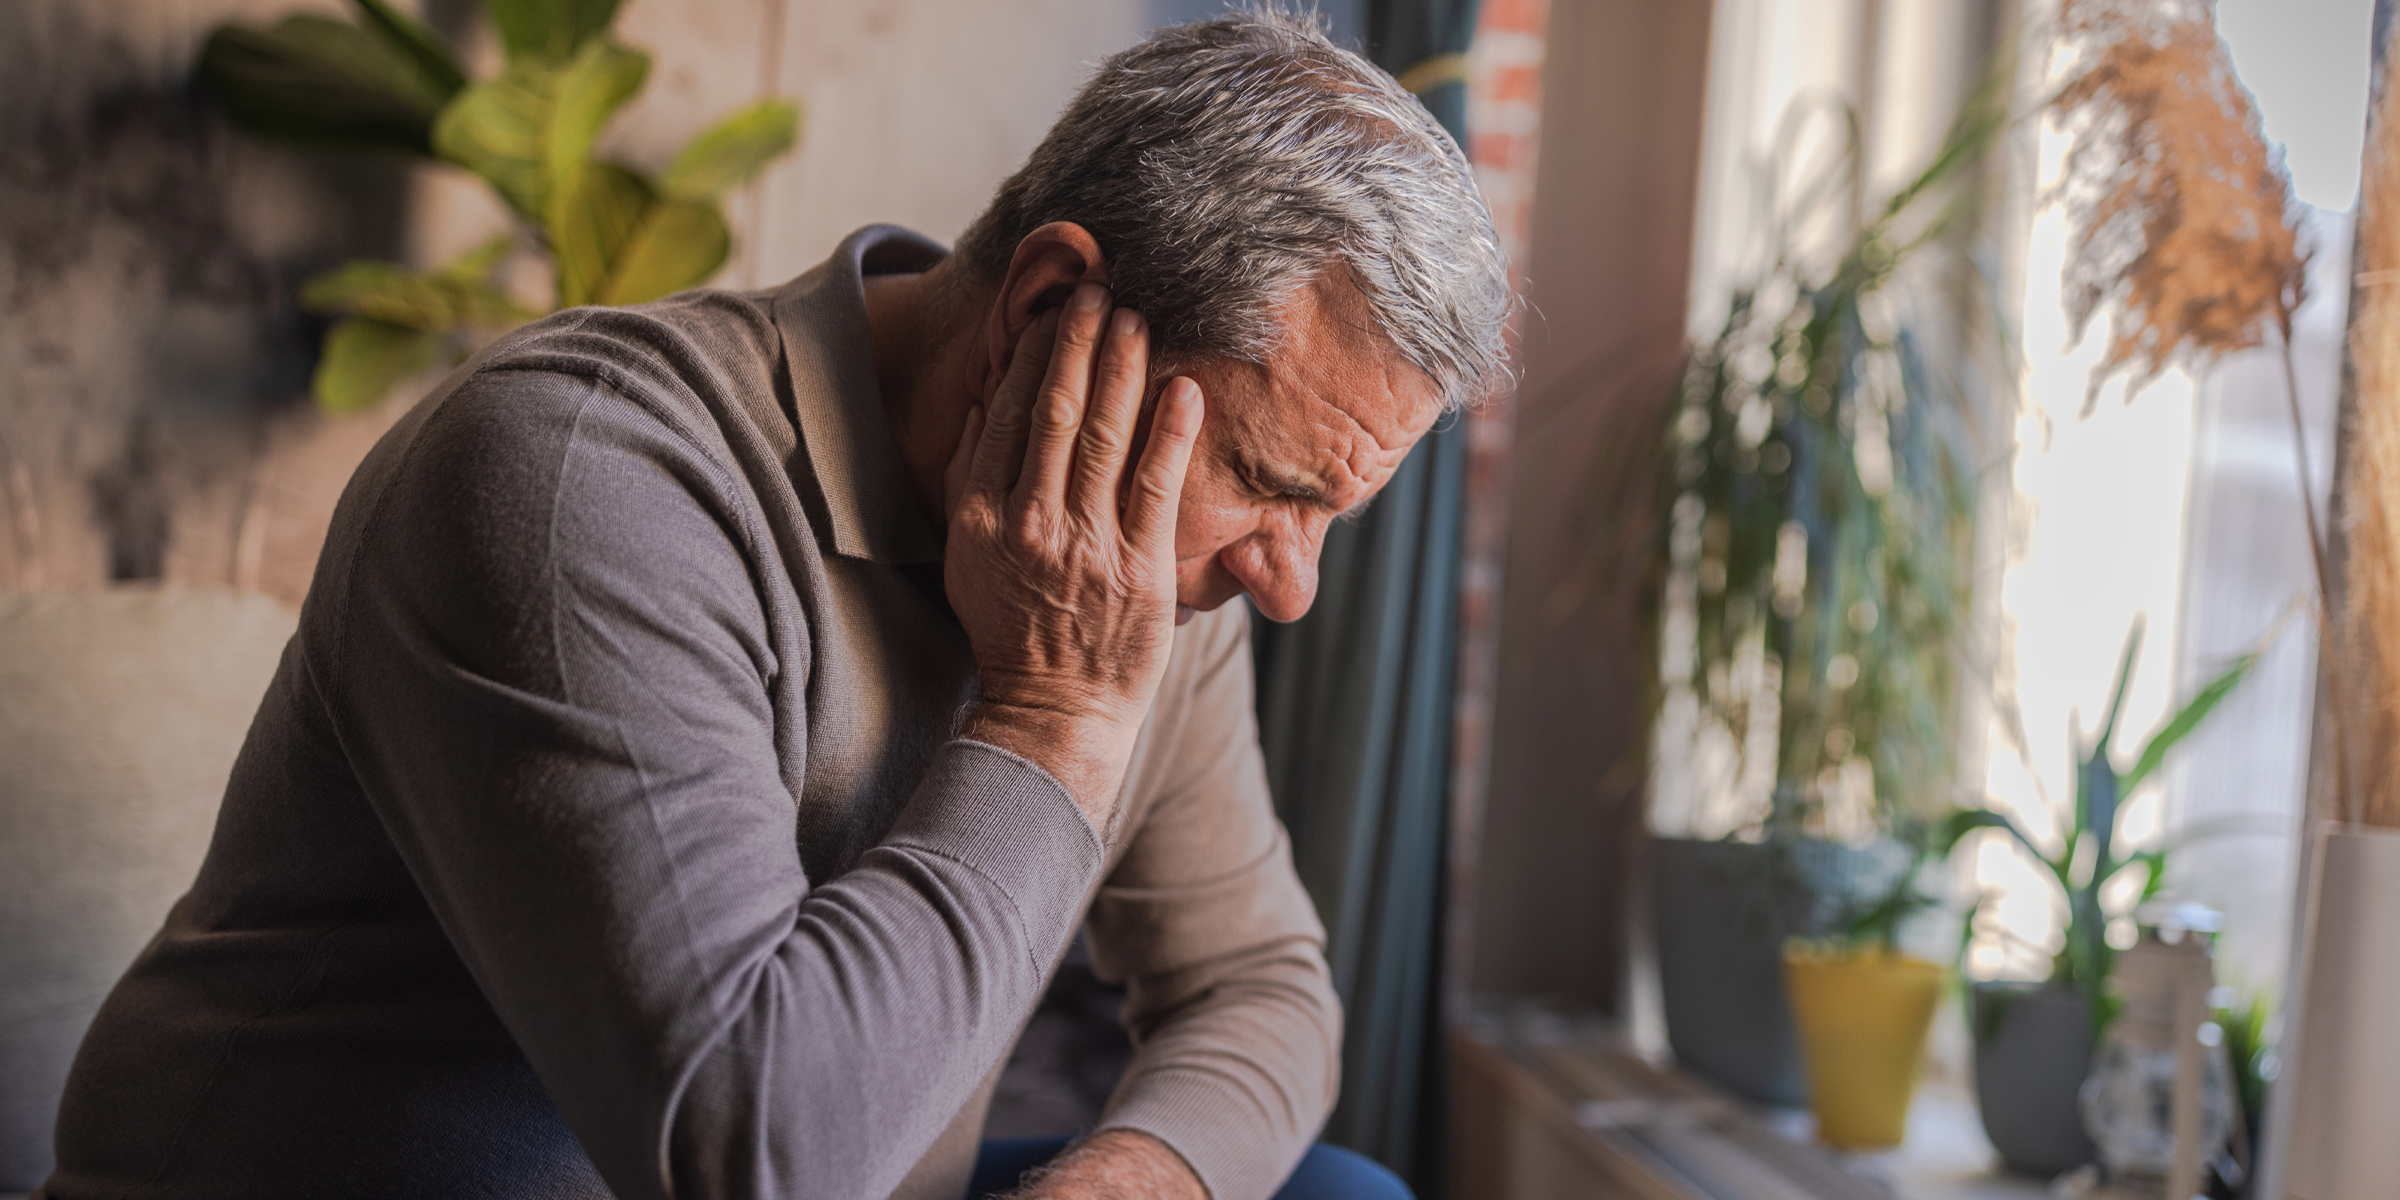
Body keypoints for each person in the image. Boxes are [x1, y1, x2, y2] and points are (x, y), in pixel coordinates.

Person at [41, 10, 1509, 1200]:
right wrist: (1053, 717)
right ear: (1053, 309)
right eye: (1271, 484)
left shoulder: (1165, 573)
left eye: (1332, 511)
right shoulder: (587, 480)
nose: (1290, 583)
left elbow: (1257, 983)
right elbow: (750, 1159)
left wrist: (1130, 1181)